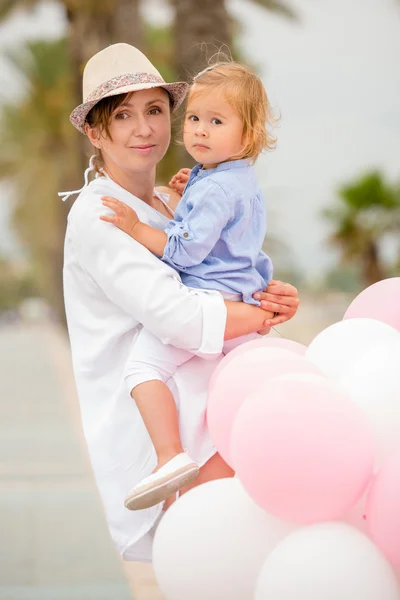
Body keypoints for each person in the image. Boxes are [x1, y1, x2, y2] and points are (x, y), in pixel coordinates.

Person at [62, 42, 300, 562]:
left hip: (211, 405)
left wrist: (267, 291)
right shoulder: (100, 214)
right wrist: (262, 317)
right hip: (165, 426)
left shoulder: (174, 200)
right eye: (122, 115)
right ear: (94, 132)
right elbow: (179, 316)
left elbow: (224, 264)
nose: (144, 128)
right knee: (221, 563)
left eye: (154, 110)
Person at [99, 61, 276, 511]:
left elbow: (186, 251)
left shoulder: (215, 188)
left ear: (249, 134)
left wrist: (138, 228)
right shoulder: (229, 179)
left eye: (217, 122)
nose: (199, 131)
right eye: (195, 118)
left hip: (207, 300)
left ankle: (169, 455)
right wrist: (185, 199)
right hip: (233, 299)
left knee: (143, 369)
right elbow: (227, 239)